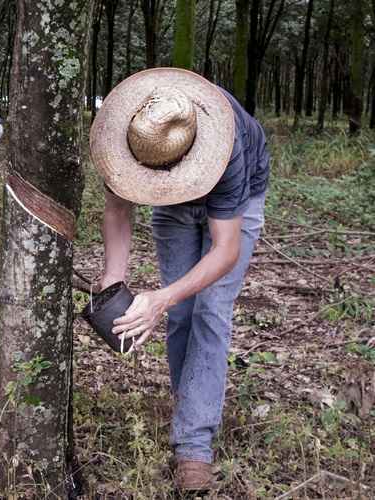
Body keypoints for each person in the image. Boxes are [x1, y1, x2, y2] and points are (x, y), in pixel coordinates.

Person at [89, 68, 270, 493]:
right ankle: (191, 402)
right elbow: (117, 208)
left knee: (209, 311)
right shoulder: (130, 134)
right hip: (171, 205)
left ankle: (194, 445)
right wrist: (115, 275)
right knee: (182, 316)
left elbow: (225, 249)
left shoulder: (229, 150)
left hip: (234, 205)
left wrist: (161, 296)